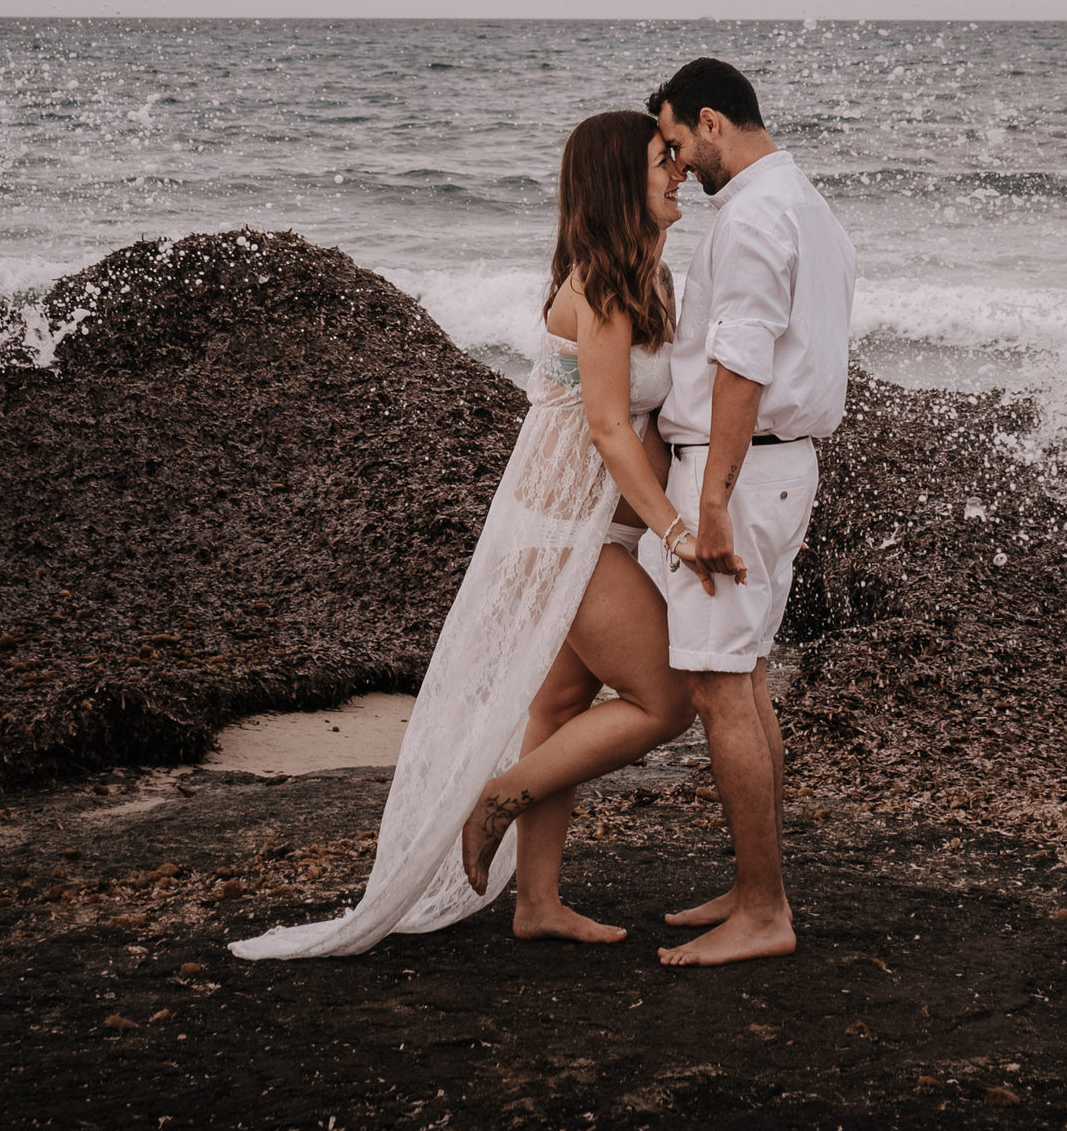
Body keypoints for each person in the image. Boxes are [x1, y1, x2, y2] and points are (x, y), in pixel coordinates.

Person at [230, 109, 722, 959]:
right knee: (667, 701)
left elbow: (646, 422)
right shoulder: (602, 288)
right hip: (559, 533)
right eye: (660, 160)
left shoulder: (648, 277)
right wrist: (678, 533)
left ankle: (536, 902)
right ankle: (498, 797)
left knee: (560, 706)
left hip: (587, 530)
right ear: (618, 182)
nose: (678, 170)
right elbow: (609, 429)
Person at [641, 57, 857, 968]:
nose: (675, 161)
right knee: (750, 676)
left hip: (741, 472)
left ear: (711, 121)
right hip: (780, 467)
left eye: (675, 141)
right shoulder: (804, 203)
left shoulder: (754, 216)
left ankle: (765, 910)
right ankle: (754, 885)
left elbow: (742, 364)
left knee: (721, 687)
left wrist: (713, 502)